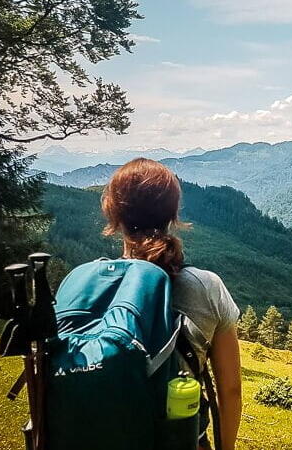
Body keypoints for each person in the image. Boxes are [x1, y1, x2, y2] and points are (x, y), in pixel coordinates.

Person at [101, 158, 242, 450]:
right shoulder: (206, 286)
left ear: (114, 216)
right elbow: (230, 390)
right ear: (172, 214)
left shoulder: (92, 285)